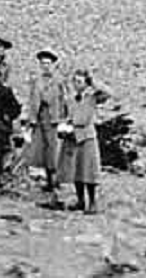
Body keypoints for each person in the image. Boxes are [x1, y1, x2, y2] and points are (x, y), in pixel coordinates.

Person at [58, 67, 109, 213]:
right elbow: (65, 116)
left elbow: (108, 93)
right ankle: (80, 201)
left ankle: (92, 202)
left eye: (79, 81)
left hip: (87, 137)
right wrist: (63, 127)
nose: (76, 84)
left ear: (86, 83)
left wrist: (93, 82)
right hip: (72, 137)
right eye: (74, 81)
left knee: (89, 171)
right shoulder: (70, 99)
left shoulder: (93, 97)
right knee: (76, 170)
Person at [23, 49, 68, 200]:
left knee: (53, 148)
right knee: (41, 149)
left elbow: (64, 100)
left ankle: (55, 179)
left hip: (53, 119)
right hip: (40, 118)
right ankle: (47, 179)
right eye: (43, 63)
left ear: (53, 65)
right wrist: (31, 119)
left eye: (48, 63)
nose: (45, 66)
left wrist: (64, 119)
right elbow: (32, 101)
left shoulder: (59, 81)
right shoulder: (37, 81)